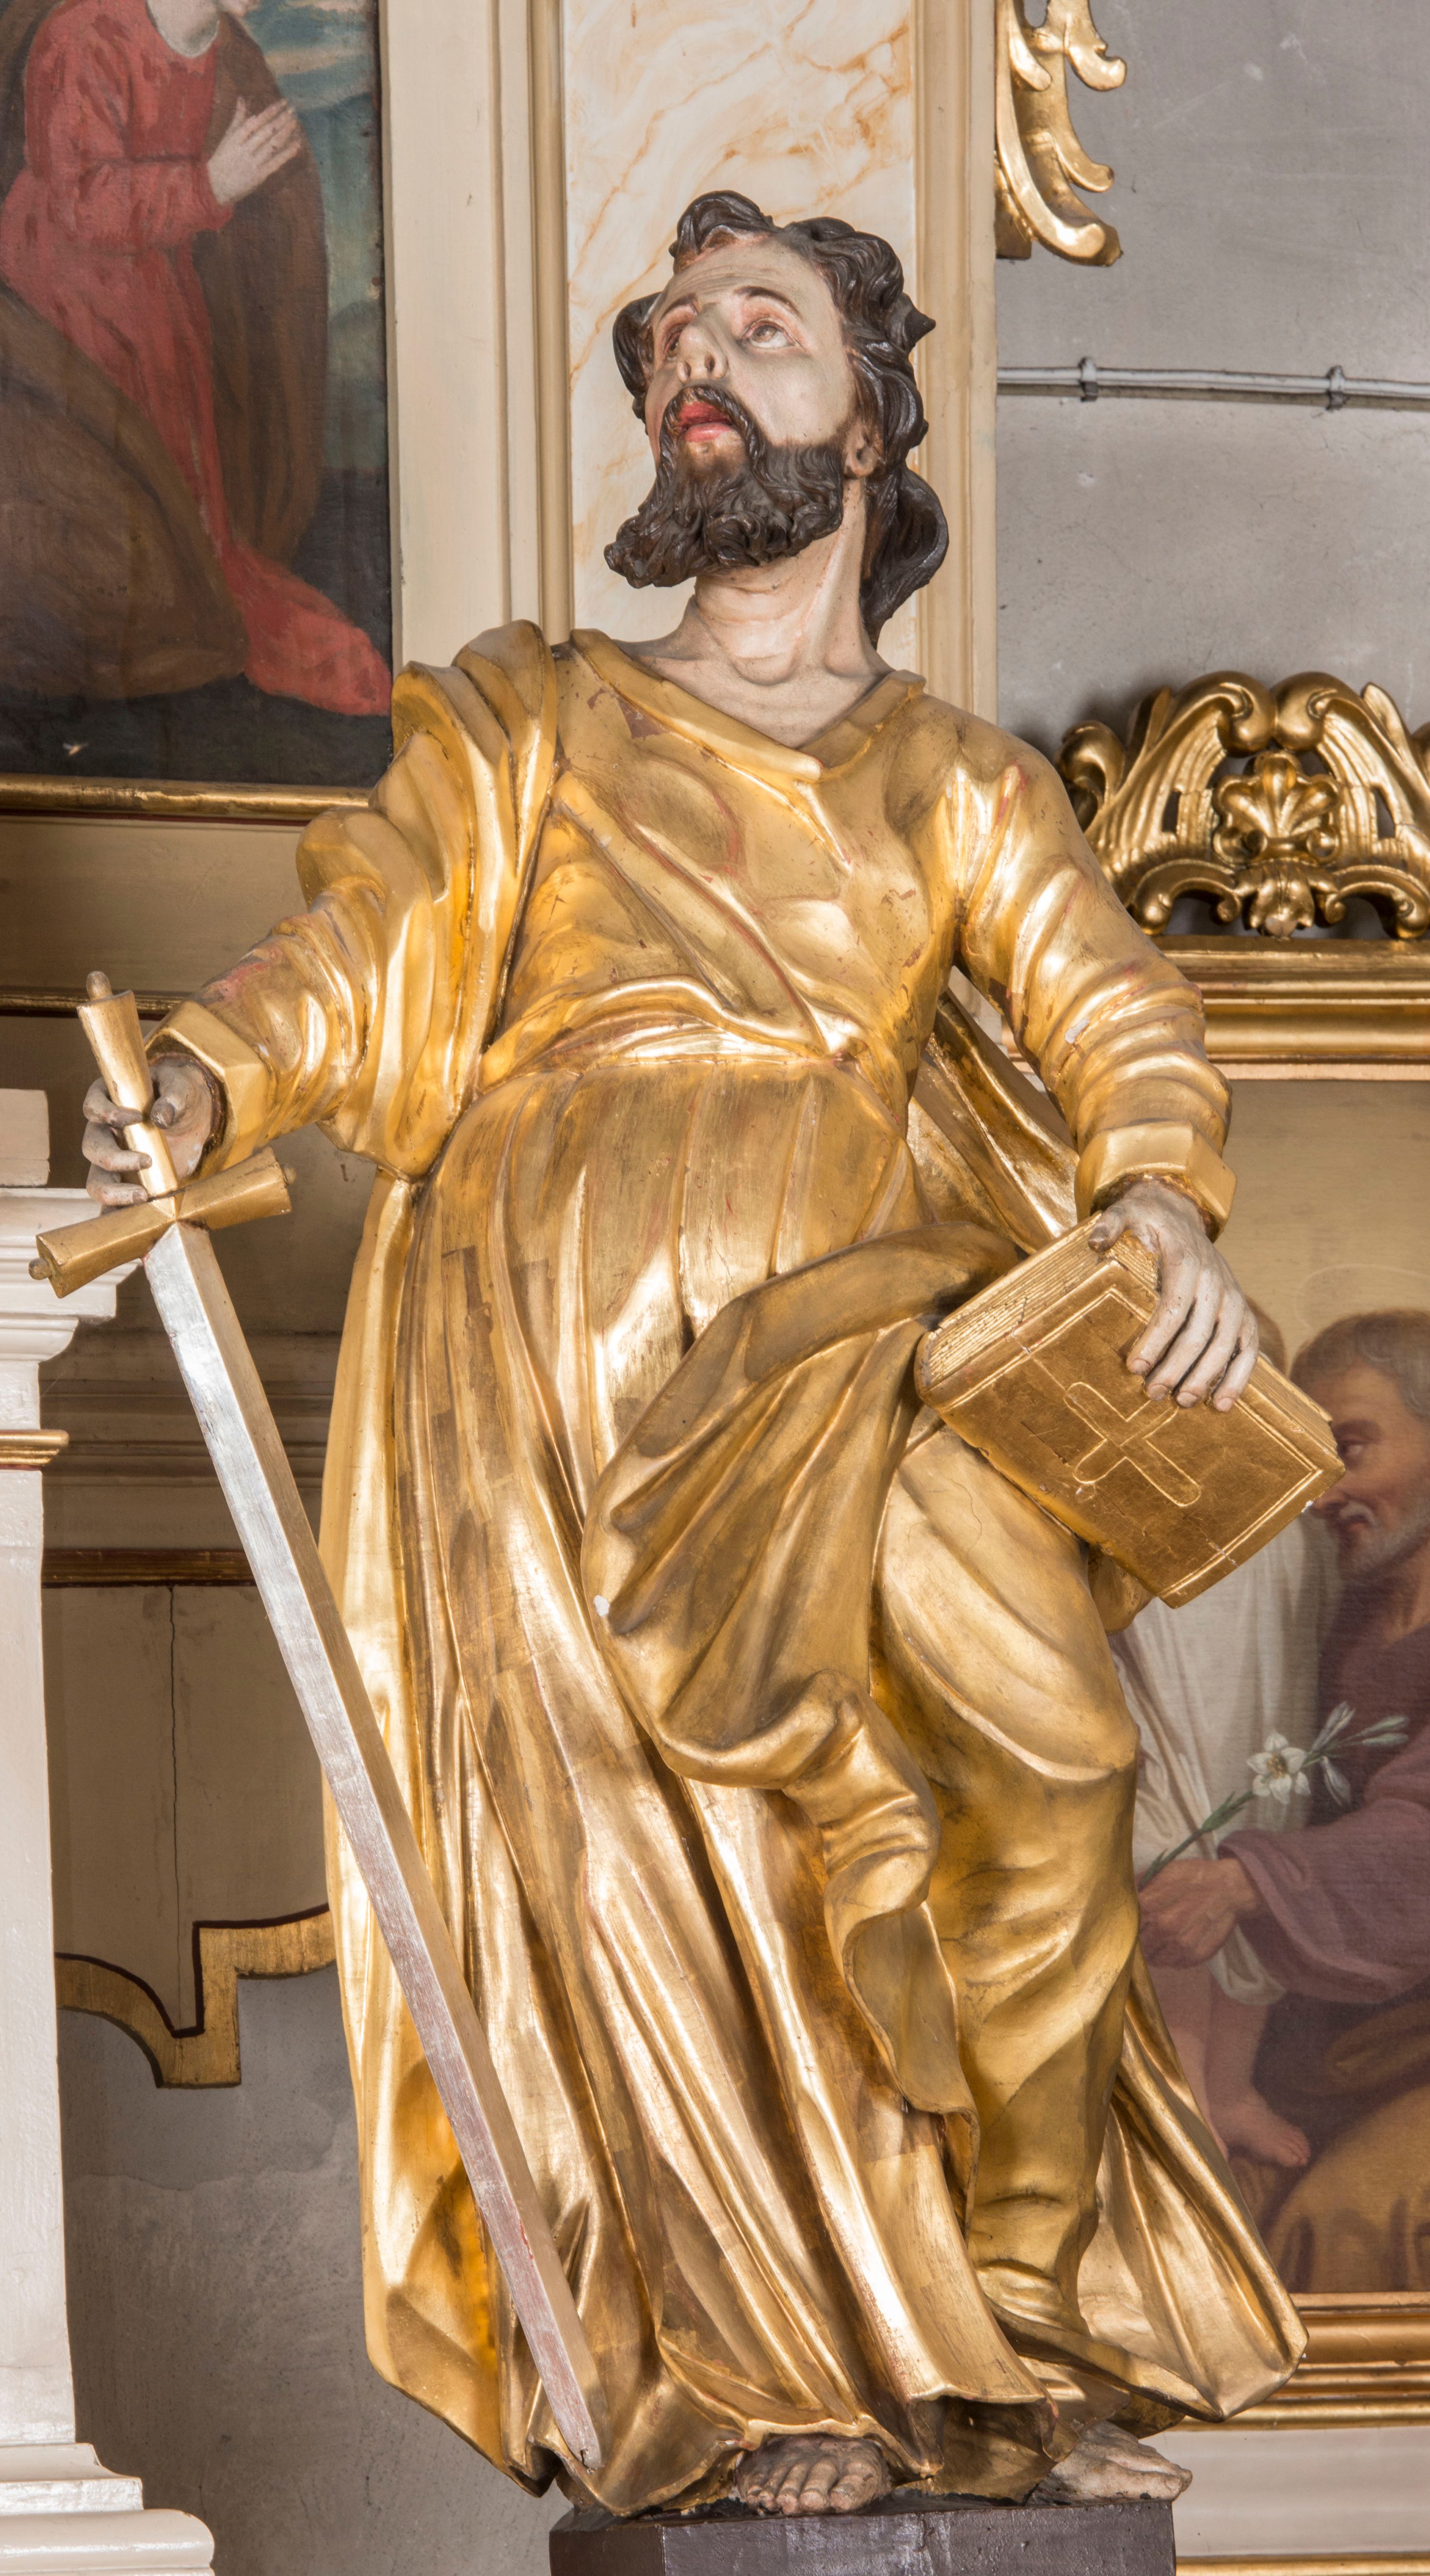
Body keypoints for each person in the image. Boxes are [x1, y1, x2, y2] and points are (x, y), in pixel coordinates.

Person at [81, 192, 1301, 2520]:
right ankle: (760, 2374)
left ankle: (1015, 2289)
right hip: (542, 1369)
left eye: (760, 328)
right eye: (668, 347)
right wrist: (220, 1079)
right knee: (647, 1860)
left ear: (874, 426)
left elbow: (1116, 1013)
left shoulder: (953, 778)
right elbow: (374, 942)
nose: (698, 367)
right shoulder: (539, 713)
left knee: (1047, 1758)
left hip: (857, 1341)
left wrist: (1155, 1190)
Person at [1139, 1313, 1430, 2276]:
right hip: (1327, 2042)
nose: (1324, 1487)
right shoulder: (1341, 1600)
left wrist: (1242, 1882)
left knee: (1341, 2226)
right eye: (1309, 1454)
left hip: (1409, 2043)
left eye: (1352, 1447)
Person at [0, 0, 389, 712]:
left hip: (155, 282)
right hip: (65, 295)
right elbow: (79, 205)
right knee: (135, 485)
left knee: (193, 499)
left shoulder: (223, 47)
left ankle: (203, 583)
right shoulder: (81, 35)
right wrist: (211, 185)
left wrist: (224, 190)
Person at [1117, 1306, 1335, 2168]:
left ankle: (1233, 2090)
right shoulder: (1135, 1502)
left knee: (1253, 1891)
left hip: (1259, 1738)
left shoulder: (1293, 1521)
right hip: (1164, 1737)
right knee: (1172, 1880)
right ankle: (1192, 2095)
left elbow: (1312, 1627)